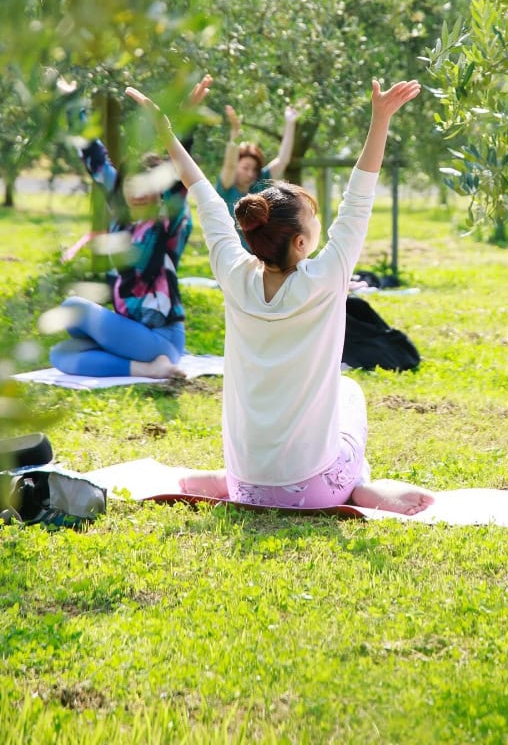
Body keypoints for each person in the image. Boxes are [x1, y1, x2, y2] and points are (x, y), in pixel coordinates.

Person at [125, 77, 435, 516]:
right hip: (315, 491)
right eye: (315, 221)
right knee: (348, 391)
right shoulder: (327, 276)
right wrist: (380, 118)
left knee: (277, 440)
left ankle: (224, 480)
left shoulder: (234, 273)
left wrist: (168, 134)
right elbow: (360, 194)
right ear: (302, 243)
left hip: (246, 486)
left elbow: (205, 196)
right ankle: (360, 486)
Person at [48, 76, 213, 380]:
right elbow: (95, 160)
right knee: (60, 353)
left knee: (73, 307)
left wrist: (185, 123)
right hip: (131, 335)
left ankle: (154, 360)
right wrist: (73, 104)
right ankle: (148, 369)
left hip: (161, 337)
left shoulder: (167, 223)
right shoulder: (121, 217)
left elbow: (179, 176)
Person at [216, 103, 299, 234]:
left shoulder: (259, 183)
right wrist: (235, 134)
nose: (250, 174)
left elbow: (283, 160)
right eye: (245, 168)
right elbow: (229, 166)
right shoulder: (226, 187)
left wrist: (290, 123)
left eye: (254, 169)